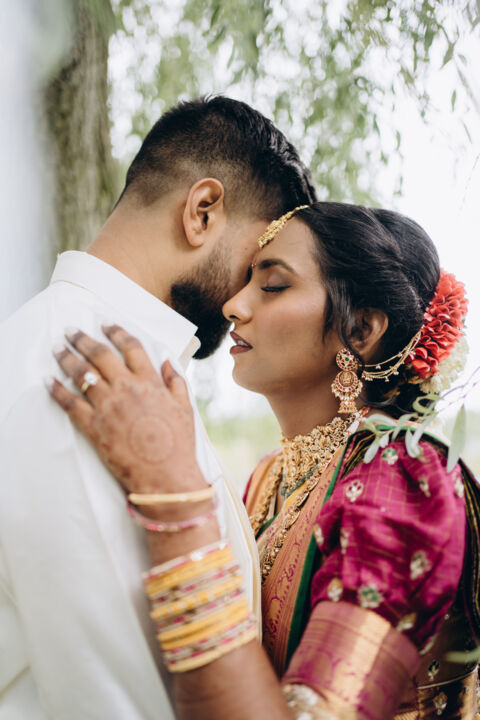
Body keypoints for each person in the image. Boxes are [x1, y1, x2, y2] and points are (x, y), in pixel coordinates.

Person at [47, 201, 478, 719]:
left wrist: (174, 495)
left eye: (272, 285)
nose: (233, 305)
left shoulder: (405, 479)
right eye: (246, 280)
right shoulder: (269, 477)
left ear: (362, 330)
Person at [0, 96, 315, 718]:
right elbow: (123, 703)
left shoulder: (112, 360)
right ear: (202, 212)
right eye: (256, 265)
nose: (245, 302)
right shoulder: (85, 372)